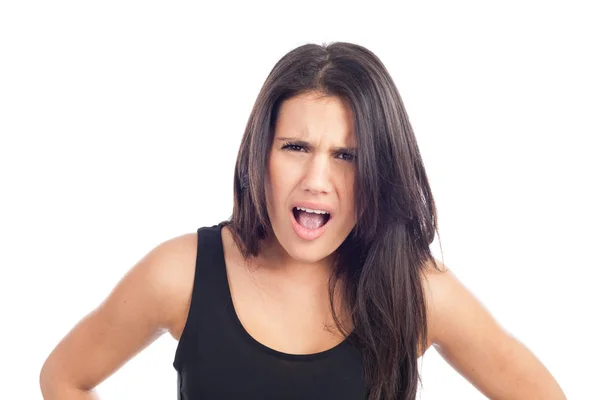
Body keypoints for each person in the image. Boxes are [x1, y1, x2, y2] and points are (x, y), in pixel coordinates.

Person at [39, 42, 566, 400]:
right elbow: (63, 377)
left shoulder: (419, 291)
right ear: (259, 154)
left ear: (380, 171)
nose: (317, 179)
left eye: (348, 155)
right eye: (296, 147)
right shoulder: (179, 273)